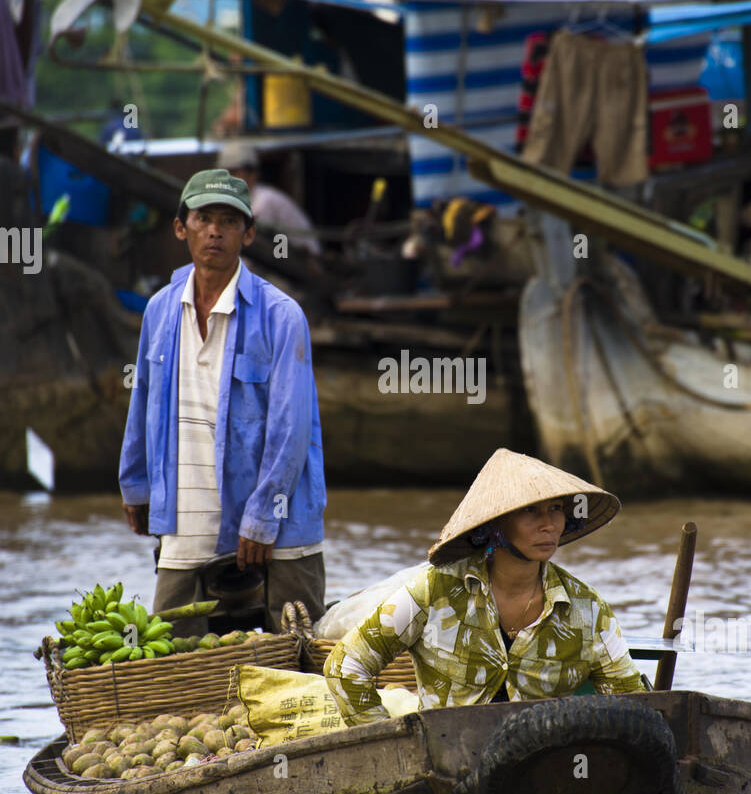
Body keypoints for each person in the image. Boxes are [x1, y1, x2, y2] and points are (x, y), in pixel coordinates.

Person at [119, 168, 326, 634]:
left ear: (248, 233)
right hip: (186, 520)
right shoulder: (159, 310)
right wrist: (134, 483)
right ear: (181, 228)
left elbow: (291, 429)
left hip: (282, 528)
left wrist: (261, 514)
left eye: (229, 221)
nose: (215, 231)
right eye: (203, 218)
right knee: (176, 669)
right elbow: (144, 400)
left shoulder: (281, 317)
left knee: (301, 665)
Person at [324, 448, 643, 726]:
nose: (548, 524)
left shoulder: (586, 609)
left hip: (545, 774)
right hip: (446, 768)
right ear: (496, 523)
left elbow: (632, 703)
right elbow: (345, 667)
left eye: (556, 509)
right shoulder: (435, 591)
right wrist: (395, 747)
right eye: (530, 510)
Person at [220, 140, 321, 256]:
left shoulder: (264, 201)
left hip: (304, 264)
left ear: (252, 174)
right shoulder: (241, 202)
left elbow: (258, 251)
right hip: (281, 258)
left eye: (234, 172)